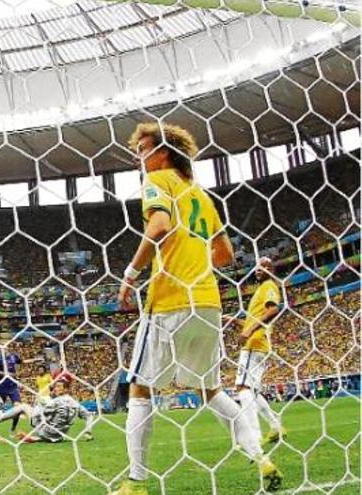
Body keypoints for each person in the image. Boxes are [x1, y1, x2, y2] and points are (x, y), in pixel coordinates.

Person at [112, 122, 281, 495]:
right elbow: (225, 255)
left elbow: (157, 225)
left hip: (169, 300)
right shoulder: (201, 195)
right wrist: (193, 252)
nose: (138, 158)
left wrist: (130, 273)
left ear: (164, 152)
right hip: (206, 302)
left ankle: (136, 482)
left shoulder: (159, 181)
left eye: (142, 149)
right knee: (210, 389)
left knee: (140, 390)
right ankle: (260, 457)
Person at [223, 257, 287, 446]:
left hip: (254, 343)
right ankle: (276, 426)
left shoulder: (269, 285)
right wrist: (235, 321)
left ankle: (254, 437)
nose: (259, 269)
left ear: (271, 270)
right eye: (257, 266)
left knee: (242, 389)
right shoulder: (260, 290)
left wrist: (249, 331)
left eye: (264, 266)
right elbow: (253, 321)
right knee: (252, 391)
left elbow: (273, 310)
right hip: (259, 343)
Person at [0, 379, 91, 443]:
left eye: (59, 387)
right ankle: (34, 438)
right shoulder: (75, 403)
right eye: (55, 386)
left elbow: (42, 413)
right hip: (59, 437)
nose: (55, 389)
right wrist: (88, 432)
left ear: (66, 389)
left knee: (24, 407)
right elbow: (89, 416)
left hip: (46, 432)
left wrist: (40, 403)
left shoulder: (56, 402)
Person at [0, 344, 43, 434]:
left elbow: (23, 362)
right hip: (2, 386)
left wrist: (35, 360)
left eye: (6, 346)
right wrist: (2, 374)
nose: (5, 348)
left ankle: (13, 428)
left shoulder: (13, 356)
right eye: (2, 346)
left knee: (18, 407)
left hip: (13, 387)